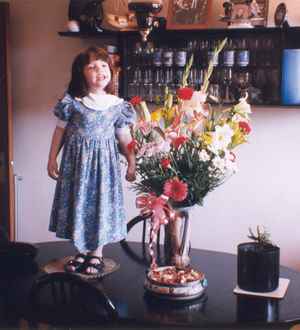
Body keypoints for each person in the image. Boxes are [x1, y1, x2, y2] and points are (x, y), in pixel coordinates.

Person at [47, 46, 136, 275]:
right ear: (81, 72)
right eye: (92, 67)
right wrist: (51, 159)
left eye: (104, 66)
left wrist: (132, 162)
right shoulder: (73, 102)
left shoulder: (117, 105)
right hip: (76, 167)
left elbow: (124, 136)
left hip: (104, 169)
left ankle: (97, 253)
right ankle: (82, 251)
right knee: (79, 204)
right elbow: (60, 132)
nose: (100, 71)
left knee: (100, 206)